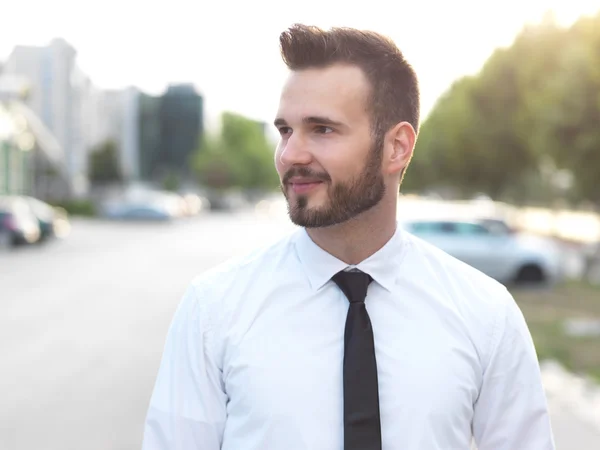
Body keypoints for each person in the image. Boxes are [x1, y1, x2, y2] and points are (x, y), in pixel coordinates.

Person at [142, 24, 555, 450]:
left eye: (322, 129)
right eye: (285, 130)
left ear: (397, 147)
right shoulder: (214, 310)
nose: (290, 155)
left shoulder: (485, 316)